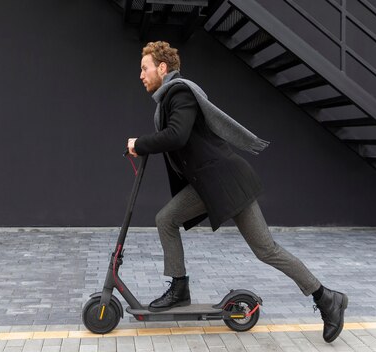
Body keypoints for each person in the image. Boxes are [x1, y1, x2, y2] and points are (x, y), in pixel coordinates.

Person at [127, 41, 348, 343]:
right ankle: (179, 288)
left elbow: (176, 136)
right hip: (207, 185)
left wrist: (140, 144)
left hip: (227, 182)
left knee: (266, 249)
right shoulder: (167, 100)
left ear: (162, 68)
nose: (141, 74)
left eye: (144, 68)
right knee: (166, 219)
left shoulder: (180, 93)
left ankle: (327, 299)